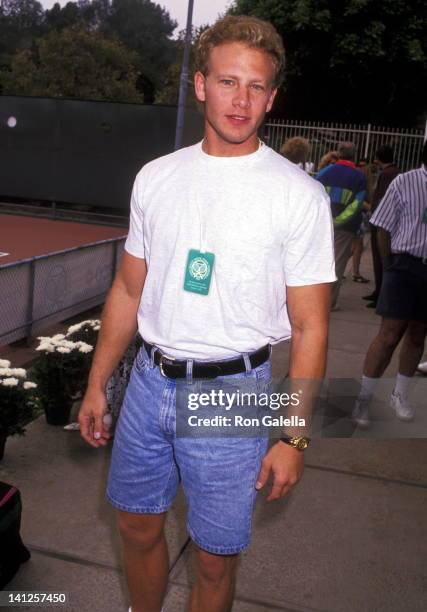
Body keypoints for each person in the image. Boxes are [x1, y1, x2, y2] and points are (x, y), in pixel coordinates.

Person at [78, 15, 335, 612]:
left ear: (272, 97)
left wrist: (293, 435)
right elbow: (126, 289)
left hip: (233, 392)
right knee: (136, 530)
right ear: (200, 85)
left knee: (215, 564)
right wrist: (97, 384)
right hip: (146, 383)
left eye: (255, 86)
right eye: (227, 81)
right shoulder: (156, 178)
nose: (240, 100)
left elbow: (311, 326)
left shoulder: (298, 196)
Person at [352, 141, 427, 428]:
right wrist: (389, 264)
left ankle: (400, 395)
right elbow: (381, 225)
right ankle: (364, 400)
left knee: (418, 335)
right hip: (404, 266)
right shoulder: (404, 183)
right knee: (389, 336)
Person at [316, 142, 367, 309]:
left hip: (322, 224)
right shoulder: (359, 176)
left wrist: (326, 219)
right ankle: (329, 302)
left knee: (320, 260)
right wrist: (339, 221)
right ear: (355, 155)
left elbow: (314, 197)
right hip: (345, 227)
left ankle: (315, 297)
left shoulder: (324, 172)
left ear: (339, 153)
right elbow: (357, 204)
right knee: (337, 264)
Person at [363, 145, 400, 308]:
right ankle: (379, 292)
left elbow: (381, 199)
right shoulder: (395, 172)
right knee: (382, 260)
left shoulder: (387, 174)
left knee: (380, 259)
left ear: (379, 158)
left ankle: (381, 295)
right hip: (387, 223)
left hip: (380, 223)